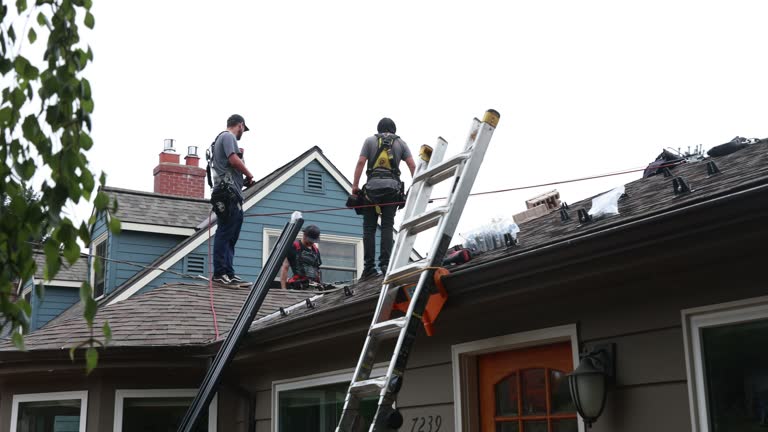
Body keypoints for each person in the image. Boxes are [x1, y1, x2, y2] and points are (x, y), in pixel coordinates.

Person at [352, 118, 416, 279]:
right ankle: (385, 264)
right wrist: (416, 188)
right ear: (394, 129)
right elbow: (412, 166)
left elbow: (361, 162)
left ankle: (368, 268)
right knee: (387, 227)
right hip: (391, 190)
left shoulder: (369, 141)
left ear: (379, 129)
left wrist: (355, 186)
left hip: (371, 191)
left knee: (369, 229)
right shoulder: (401, 143)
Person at [210, 114, 255, 285]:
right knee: (225, 232)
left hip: (230, 193)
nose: (242, 132)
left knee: (231, 235)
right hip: (227, 194)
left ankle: (228, 272)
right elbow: (233, 159)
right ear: (241, 126)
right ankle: (220, 273)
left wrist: (243, 181)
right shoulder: (228, 136)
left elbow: (229, 168)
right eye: (243, 129)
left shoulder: (219, 140)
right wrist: (249, 174)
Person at [281, 225, 322, 289]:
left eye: (313, 240)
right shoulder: (293, 247)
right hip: (298, 287)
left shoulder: (315, 250)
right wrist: (283, 289)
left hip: (313, 288)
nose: (312, 242)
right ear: (304, 235)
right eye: (310, 240)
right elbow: (285, 267)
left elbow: (317, 270)